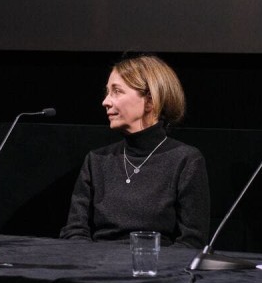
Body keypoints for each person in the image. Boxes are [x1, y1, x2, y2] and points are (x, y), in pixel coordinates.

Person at [60, 54, 210, 248]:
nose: (106, 101)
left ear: (150, 100)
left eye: (117, 91)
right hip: (97, 271)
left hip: (155, 273)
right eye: (107, 92)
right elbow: (75, 231)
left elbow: (191, 242)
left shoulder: (185, 160)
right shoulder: (97, 160)